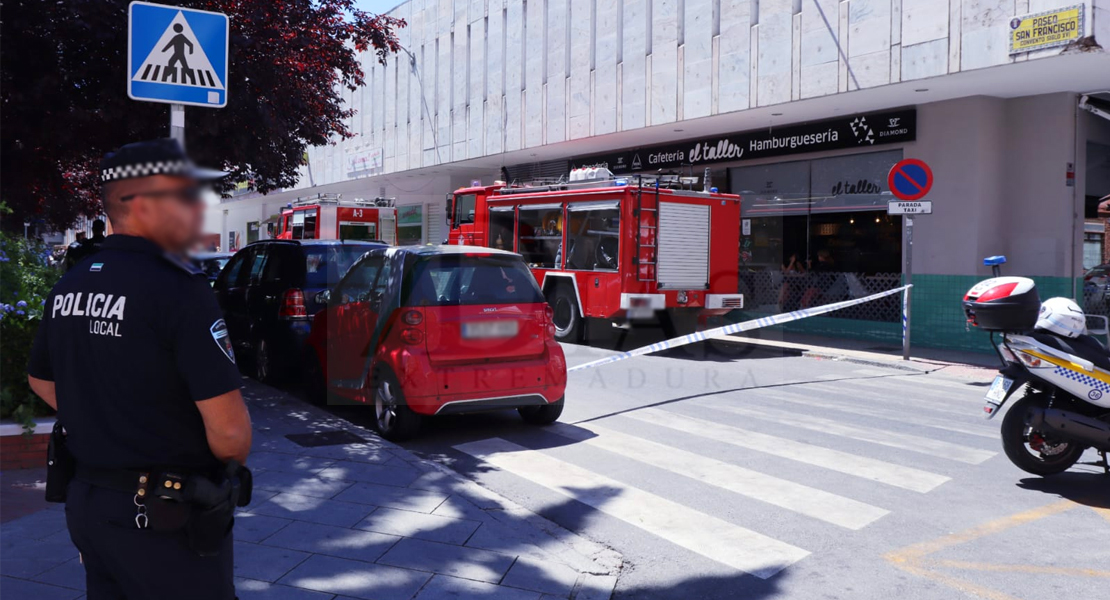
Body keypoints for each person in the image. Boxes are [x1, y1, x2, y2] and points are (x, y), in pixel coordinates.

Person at [26, 138, 252, 600]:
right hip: (164, 516)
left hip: (89, 503)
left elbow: (40, 378)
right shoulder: (179, 290)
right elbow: (230, 434)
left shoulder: (68, 285)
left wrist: (106, 417)